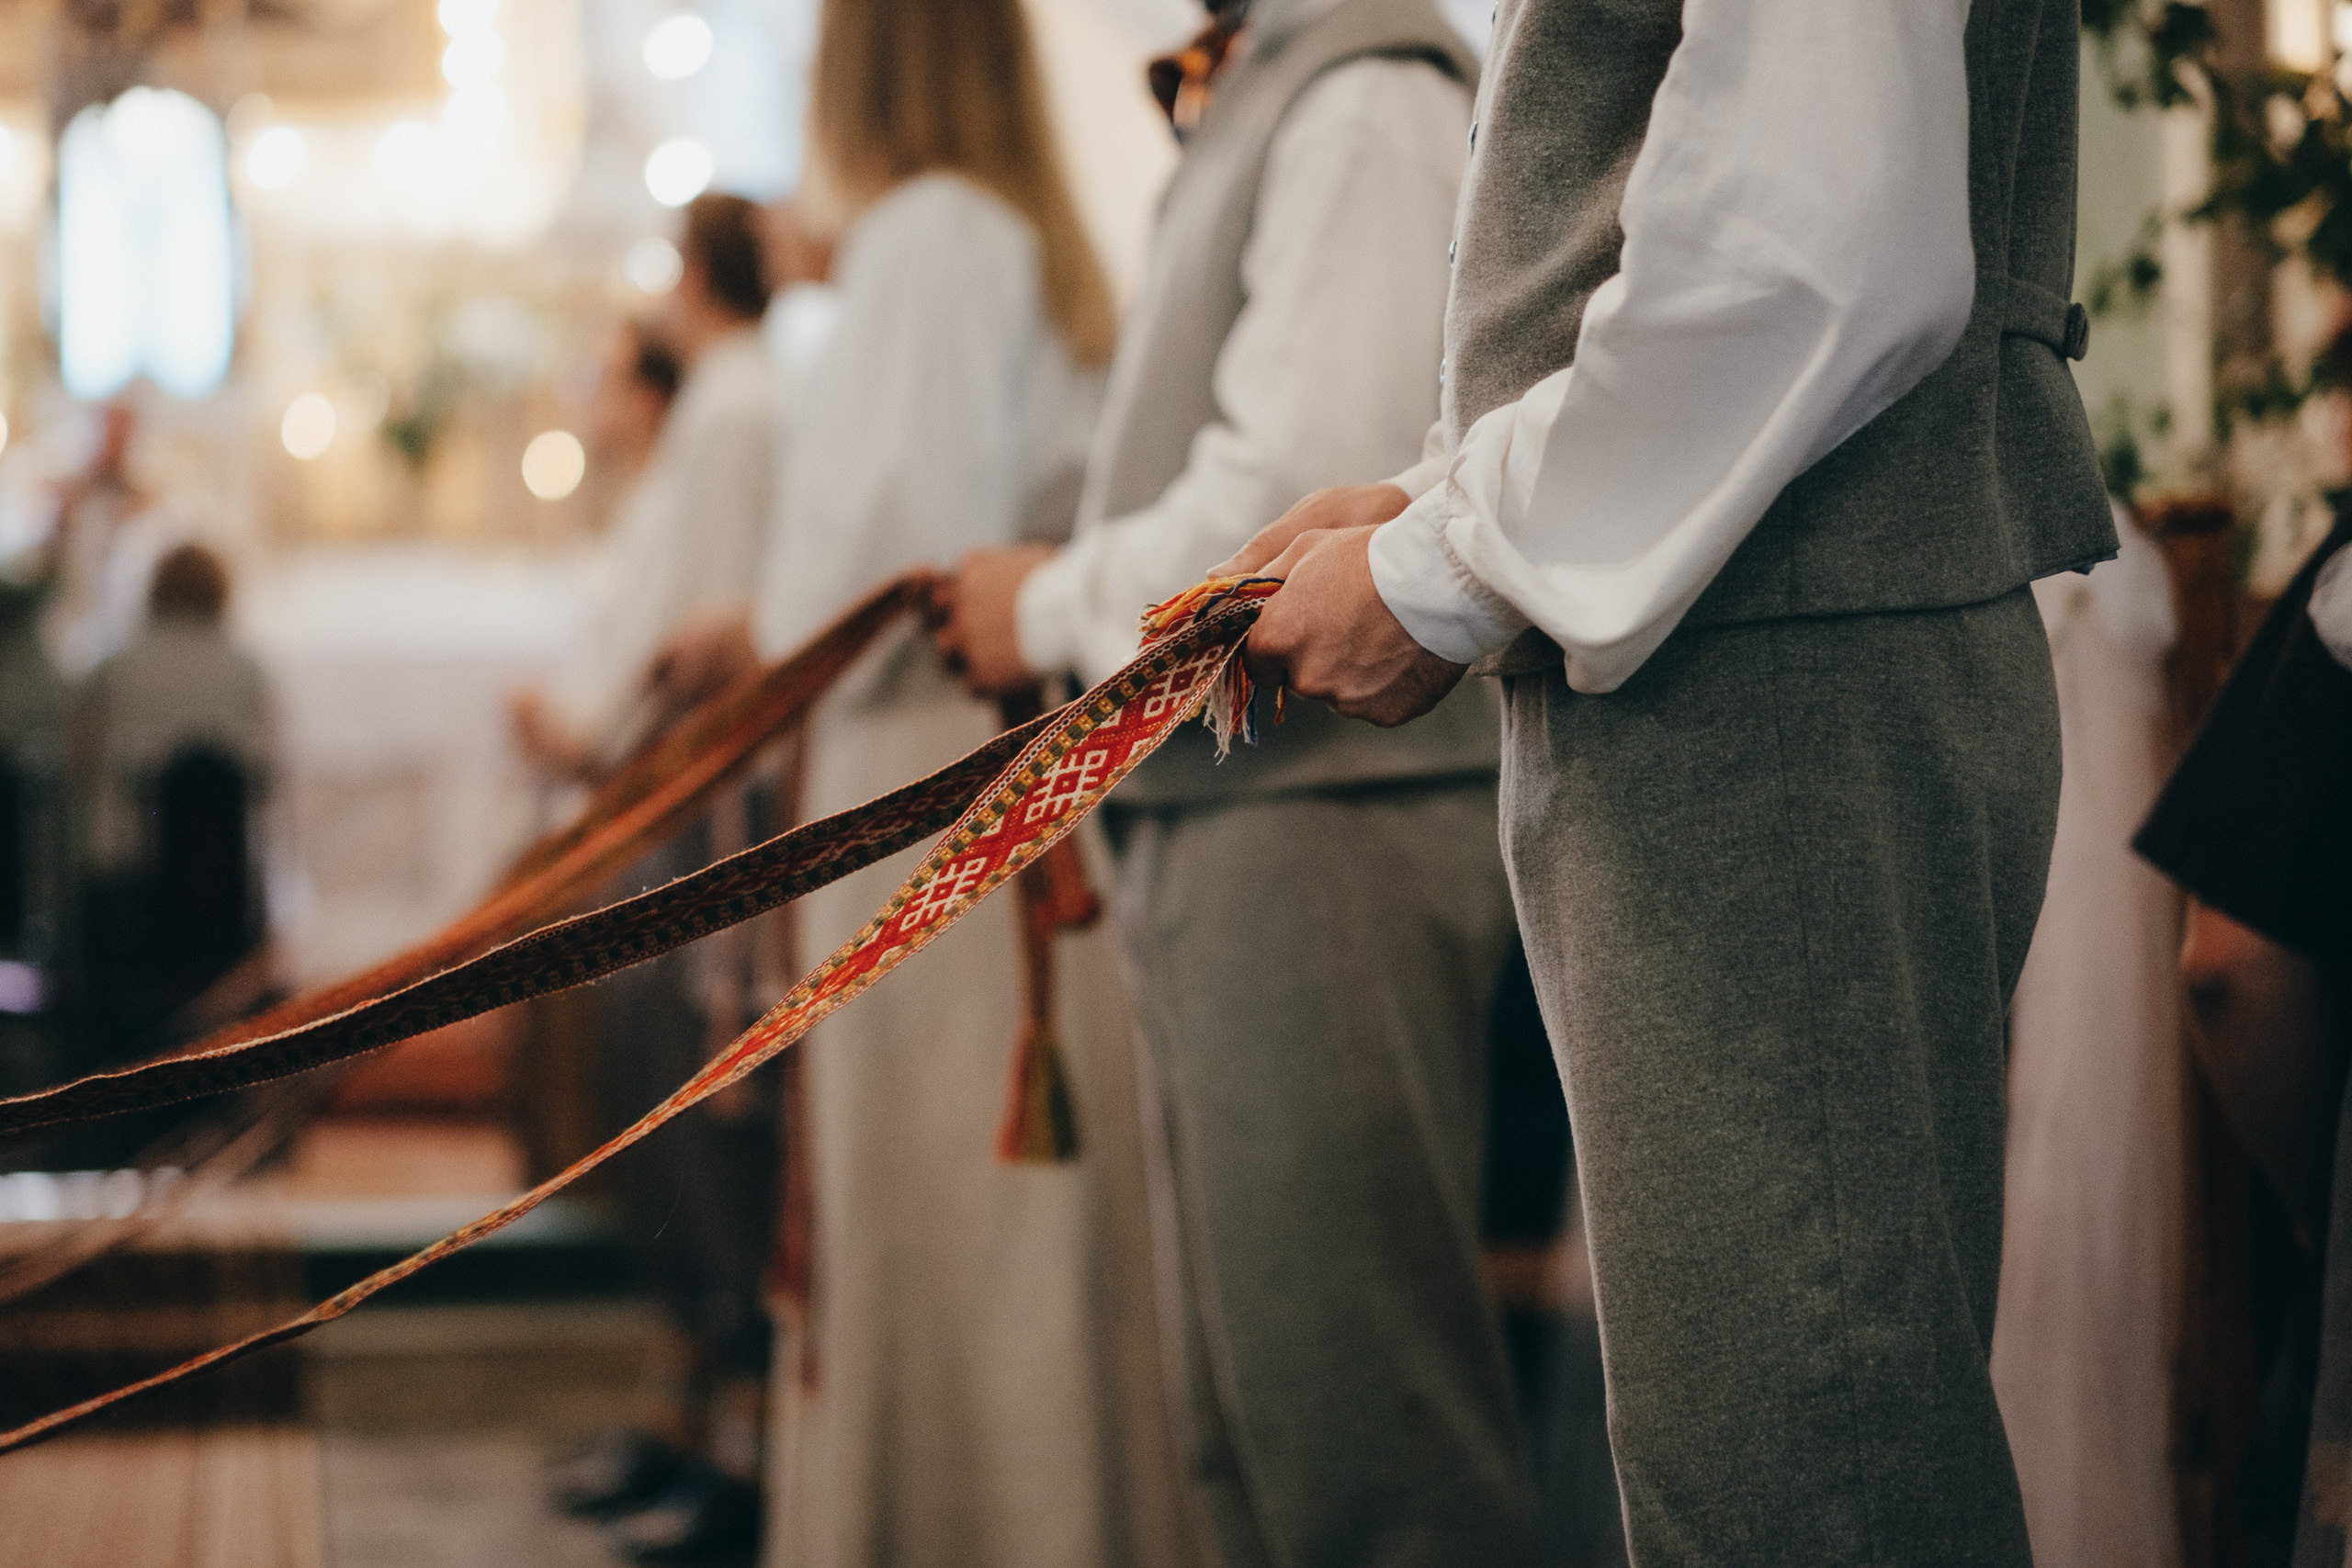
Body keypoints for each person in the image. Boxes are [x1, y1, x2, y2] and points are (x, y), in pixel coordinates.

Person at [1216, 0, 2117, 1557]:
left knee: (1806, 1474)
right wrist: (1437, 504)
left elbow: (1813, 249)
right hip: (1758, 652)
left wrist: (1441, 568)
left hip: (1778, 669)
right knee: (1774, 1445)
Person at [928, 1, 1539, 1562]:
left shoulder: (1364, 92)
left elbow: (1300, 490)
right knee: (1254, 1427)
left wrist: (1055, 599)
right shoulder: (1280, 81)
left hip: (1329, 823)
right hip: (1243, 809)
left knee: (1364, 1437)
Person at [727, 2, 1191, 1563]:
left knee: (952, 1244)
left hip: (917, 780)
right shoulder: (1016, 233)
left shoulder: (926, 234)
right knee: (1011, 1261)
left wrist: (759, 644)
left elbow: (882, 571)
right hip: (992, 778)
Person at [72, 543, 276, 1082]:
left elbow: (81, 772)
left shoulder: (114, 669)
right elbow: (267, 781)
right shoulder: (246, 673)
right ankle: (228, 1077)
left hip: (130, 896)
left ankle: (106, 1079)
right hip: (222, 902)